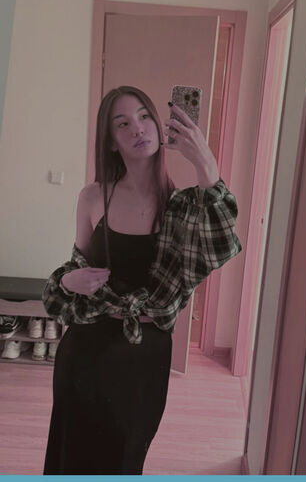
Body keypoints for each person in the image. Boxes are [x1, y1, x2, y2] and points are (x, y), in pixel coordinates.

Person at [41, 85, 242, 475]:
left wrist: (205, 163)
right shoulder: (93, 197)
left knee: (124, 460)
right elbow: (74, 268)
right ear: (111, 141)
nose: (137, 128)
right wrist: (70, 281)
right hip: (85, 350)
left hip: (143, 355)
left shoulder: (184, 206)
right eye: (123, 123)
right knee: (70, 457)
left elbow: (221, 244)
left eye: (145, 116)